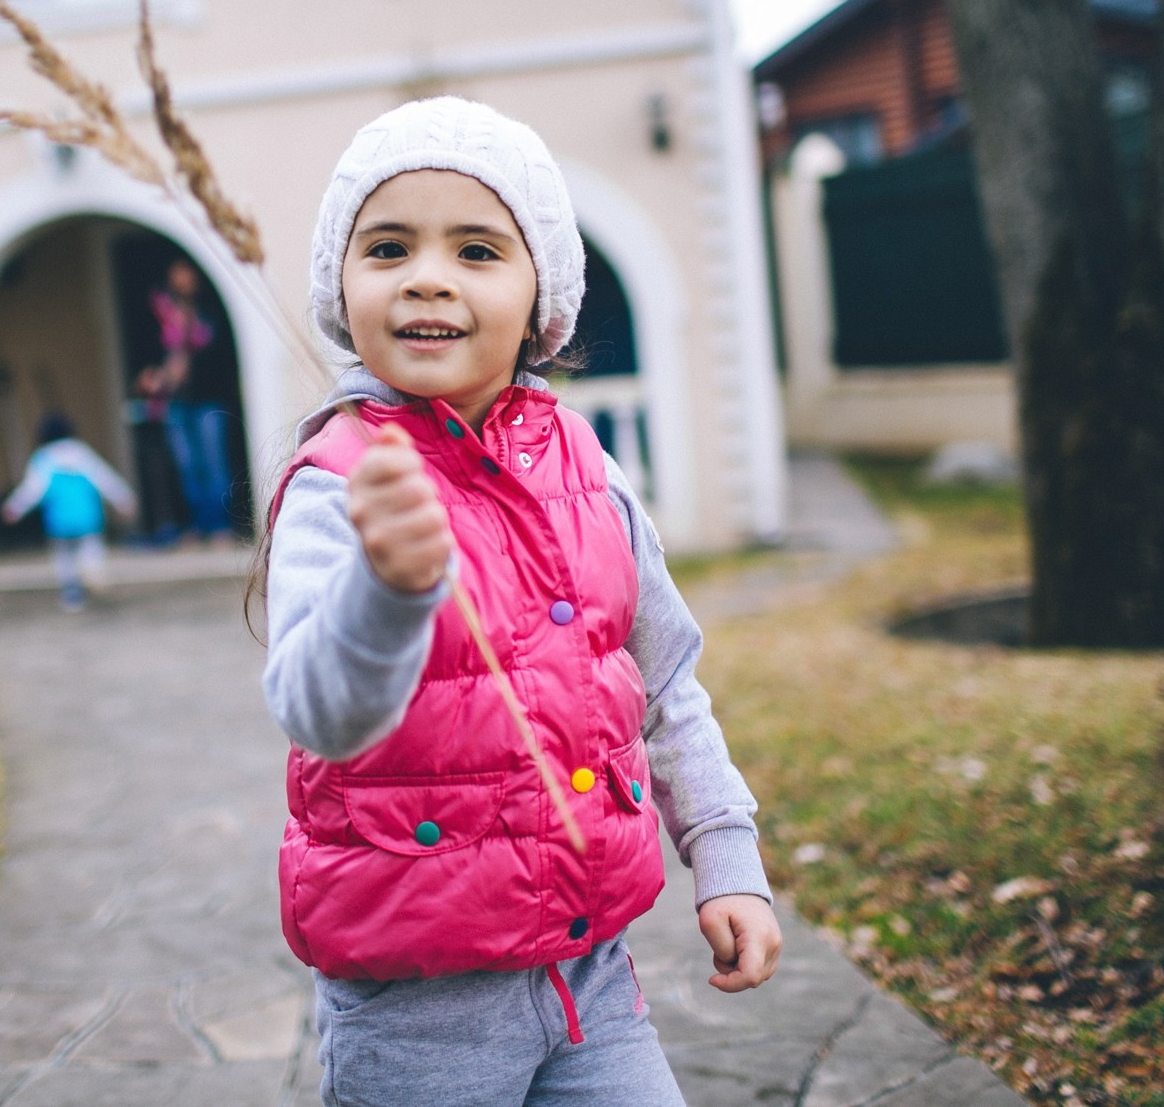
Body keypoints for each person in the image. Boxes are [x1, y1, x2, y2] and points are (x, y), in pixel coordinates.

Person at [261, 98, 781, 1104]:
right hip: (417, 1006)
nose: (426, 275)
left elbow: (664, 681)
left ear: (542, 294)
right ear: (342, 284)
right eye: (387, 246)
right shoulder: (341, 482)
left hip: (586, 976)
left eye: (475, 249)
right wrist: (385, 590)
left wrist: (724, 855)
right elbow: (317, 710)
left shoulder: (585, 465)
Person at [137, 258, 234, 543]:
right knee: (185, 467)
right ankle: (193, 526)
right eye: (176, 273)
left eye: (187, 273)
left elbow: (222, 355)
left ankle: (219, 526)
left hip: (209, 397)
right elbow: (147, 355)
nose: (182, 279)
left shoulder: (210, 310)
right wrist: (154, 375)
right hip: (174, 401)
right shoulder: (159, 312)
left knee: (215, 465)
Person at [1, 413, 137, 611]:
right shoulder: (83, 453)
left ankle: (72, 592)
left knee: (63, 556)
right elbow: (105, 479)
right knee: (91, 546)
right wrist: (124, 500)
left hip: (59, 519)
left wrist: (14, 508)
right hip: (87, 516)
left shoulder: (43, 458)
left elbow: (32, 490)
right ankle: (94, 570)